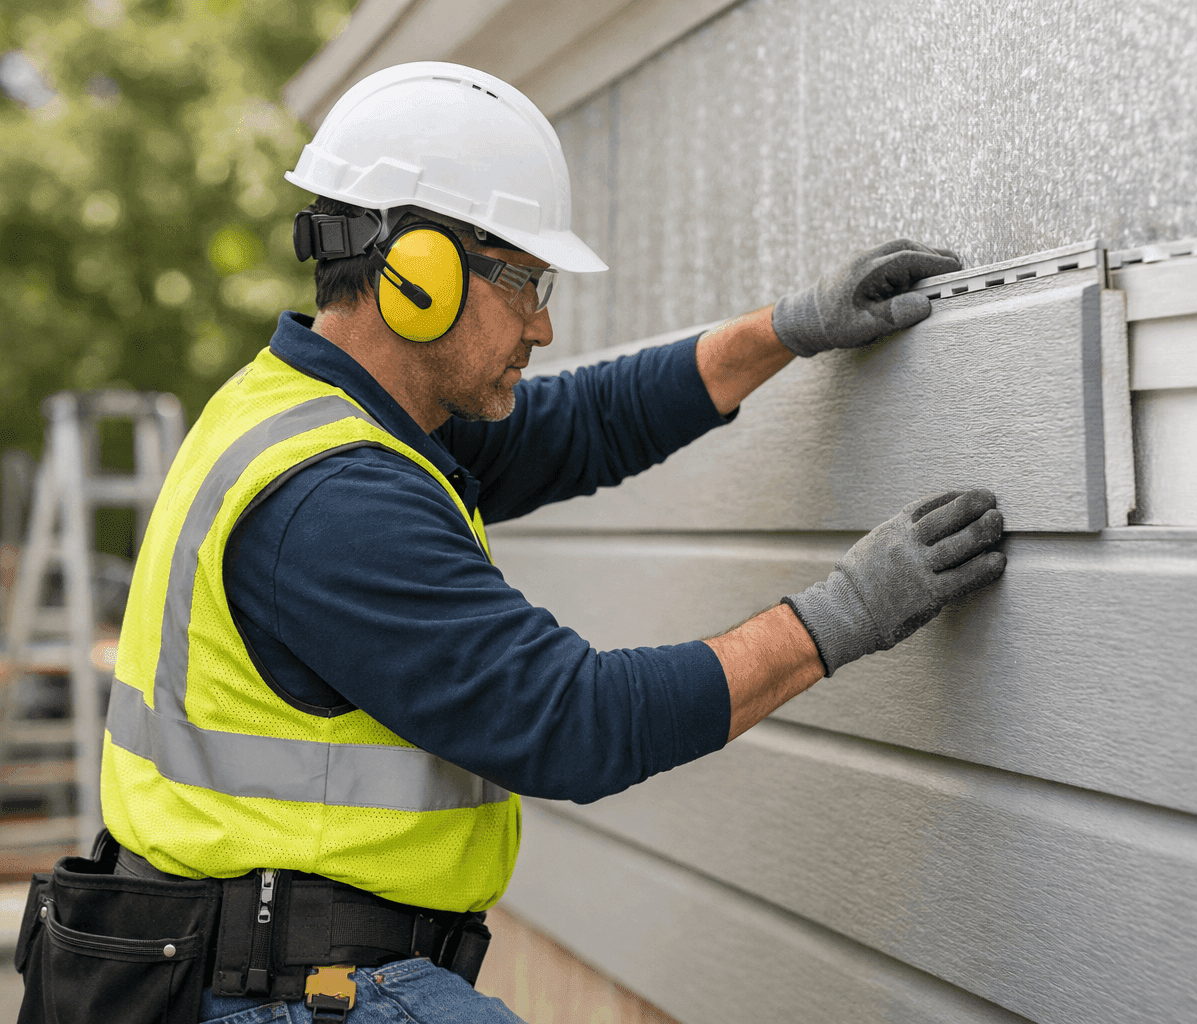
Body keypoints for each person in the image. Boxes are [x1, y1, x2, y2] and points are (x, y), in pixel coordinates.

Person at [74, 62, 1006, 1024]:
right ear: (416, 269)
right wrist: (845, 616)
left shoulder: (329, 408)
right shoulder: (337, 499)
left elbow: (582, 424)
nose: (544, 322)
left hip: (248, 962)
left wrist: (788, 327)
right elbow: (573, 723)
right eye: (522, 279)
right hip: (264, 993)